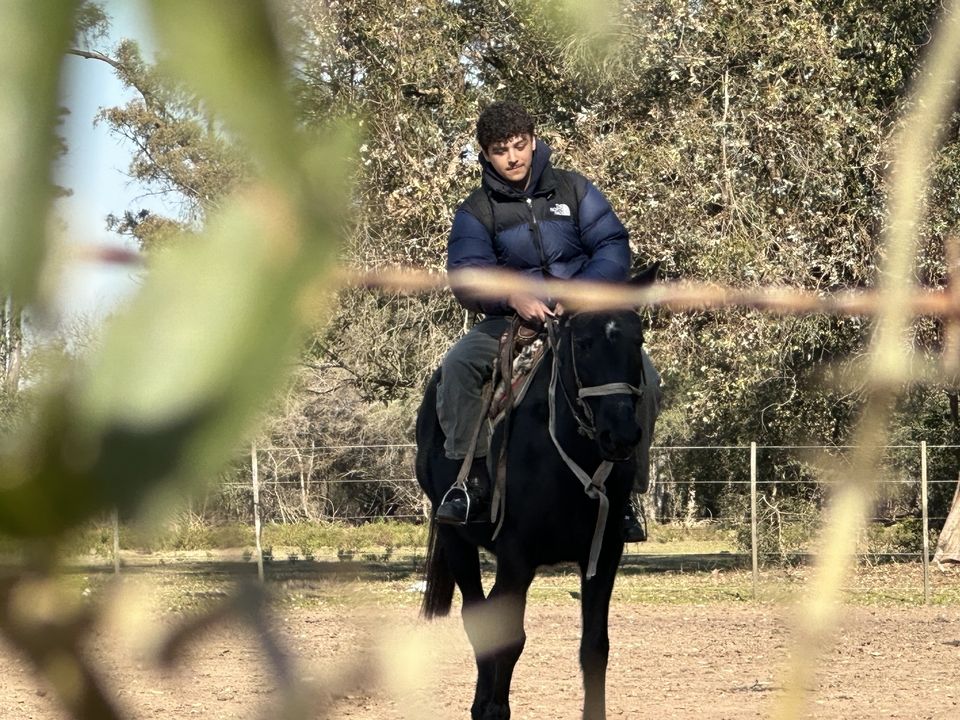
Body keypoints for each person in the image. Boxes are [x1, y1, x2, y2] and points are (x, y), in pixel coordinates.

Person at [435, 100, 660, 541]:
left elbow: (612, 245)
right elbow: (467, 275)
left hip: (585, 319)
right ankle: (471, 483)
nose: (514, 157)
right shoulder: (476, 211)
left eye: (520, 145)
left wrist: (579, 294)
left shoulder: (575, 190)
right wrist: (512, 296)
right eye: (501, 150)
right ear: (485, 155)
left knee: (646, 381)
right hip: (511, 322)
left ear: (534, 141)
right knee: (459, 366)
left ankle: (629, 491)